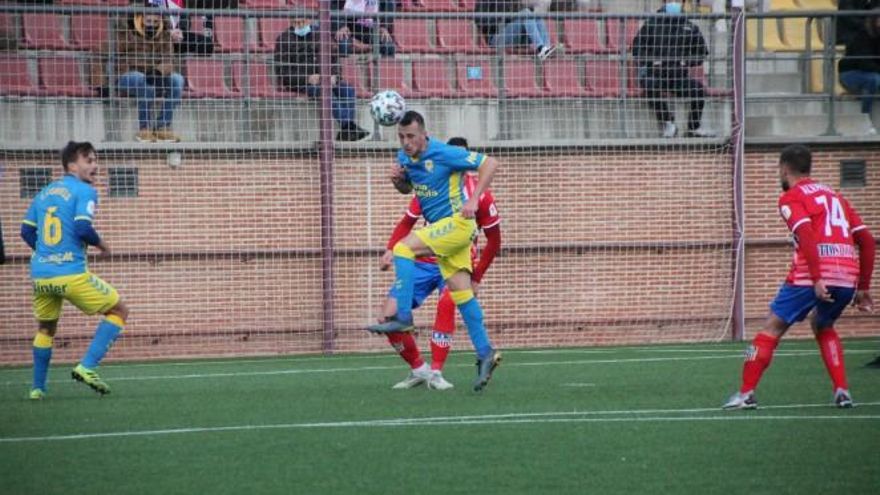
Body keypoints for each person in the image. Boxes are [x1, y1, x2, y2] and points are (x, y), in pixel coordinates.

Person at [723, 145, 875, 410]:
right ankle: (842, 390)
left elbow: (806, 235)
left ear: (784, 168)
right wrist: (862, 287)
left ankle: (745, 394)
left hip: (812, 276)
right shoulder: (835, 196)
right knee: (823, 325)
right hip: (847, 276)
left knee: (771, 328)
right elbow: (867, 242)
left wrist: (817, 279)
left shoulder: (791, 197)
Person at [367, 112, 502, 392]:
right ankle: (486, 352)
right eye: (401, 137)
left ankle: (403, 315)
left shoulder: (443, 152)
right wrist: (397, 181)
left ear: (424, 134)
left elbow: (490, 163)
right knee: (462, 294)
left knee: (403, 248)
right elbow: (408, 188)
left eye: (411, 137)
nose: (406, 143)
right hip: (446, 236)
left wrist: (475, 200)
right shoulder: (404, 157)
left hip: (457, 225)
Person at [20, 142, 131, 399]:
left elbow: (26, 231)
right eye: (88, 160)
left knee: (46, 329)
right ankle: (87, 367)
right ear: (72, 165)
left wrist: (46, 252)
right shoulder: (84, 191)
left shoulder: (44, 192)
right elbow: (82, 228)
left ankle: (38, 388)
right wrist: (103, 245)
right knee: (120, 310)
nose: (95, 166)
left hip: (41, 275)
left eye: (95, 160)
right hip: (70, 273)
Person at [275, 17, 369, 141]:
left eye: (302, 22)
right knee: (324, 91)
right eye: (296, 23)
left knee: (348, 90)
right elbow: (282, 71)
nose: (300, 25)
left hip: (326, 79)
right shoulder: (283, 39)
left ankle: (347, 129)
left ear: (309, 21)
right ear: (291, 22)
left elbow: (334, 60)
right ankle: (349, 127)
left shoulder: (321, 35)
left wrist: (334, 76)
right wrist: (307, 78)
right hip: (302, 82)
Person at [631, 1, 716, 138]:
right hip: (656, 74)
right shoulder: (652, 24)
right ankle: (668, 122)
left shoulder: (689, 27)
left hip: (678, 77)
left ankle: (694, 127)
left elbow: (701, 52)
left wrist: (686, 61)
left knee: (698, 90)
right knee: (649, 85)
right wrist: (652, 61)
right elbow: (637, 48)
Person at [113, 7, 184, 143]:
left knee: (178, 80)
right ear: (141, 18)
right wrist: (100, 83)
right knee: (144, 81)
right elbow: (102, 52)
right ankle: (144, 129)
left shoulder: (164, 35)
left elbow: (169, 60)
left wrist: (158, 71)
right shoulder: (127, 33)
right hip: (127, 75)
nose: (152, 24)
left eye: (156, 21)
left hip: (153, 75)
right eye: (149, 20)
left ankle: (162, 126)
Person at [838, 14, 880, 135]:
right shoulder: (862, 37)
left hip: (872, 73)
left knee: (874, 79)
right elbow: (864, 62)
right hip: (850, 74)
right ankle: (864, 119)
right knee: (874, 79)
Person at [475, 0, 559, 61]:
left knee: (535, 16)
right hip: (495, 38)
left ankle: (546, 48)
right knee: (525, 13)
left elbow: (513, 16)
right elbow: (479, 20)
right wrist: (502, 19)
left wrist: (512, 17)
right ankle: (540, 48)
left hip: (512, 34)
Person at [332, 0, 396, 57]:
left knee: (388, 47)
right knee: (344, 46)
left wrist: (384, 27)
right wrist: (341, 25)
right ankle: (341, 69)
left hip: (372, 29)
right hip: (348, 28)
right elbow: (334, 5)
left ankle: (382, 69)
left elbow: (388, 4)